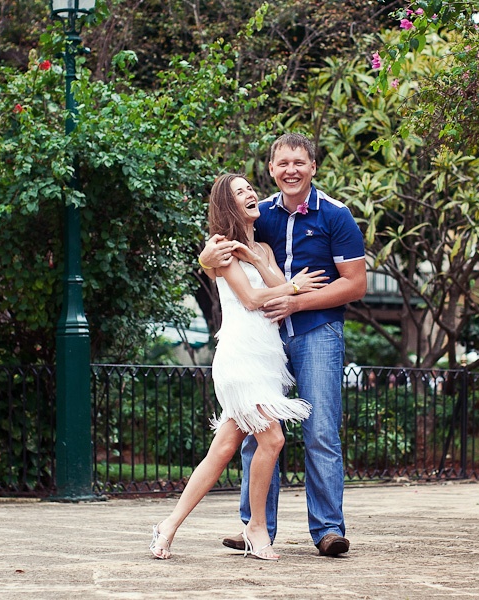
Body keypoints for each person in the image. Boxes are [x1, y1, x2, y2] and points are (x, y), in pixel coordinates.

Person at [199, 133, 367, 556]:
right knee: (257, 430)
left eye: (299, 162)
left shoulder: (336, 215)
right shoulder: (263, 214)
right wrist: (205, 259)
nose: (291, 170)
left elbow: (355, 285)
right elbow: (224, 245)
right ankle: (255, 527)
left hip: (317, 333)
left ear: (313, 167)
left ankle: (328, 530)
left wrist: (296, 302)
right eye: (283, 163)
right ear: (272, 169)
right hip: (267, 338)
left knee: (321, 430)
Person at [149, 173, 327, 560]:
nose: (250, 194)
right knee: (273, 440)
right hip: (240, 355)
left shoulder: (261, 247)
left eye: (249, 188)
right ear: (227, 205)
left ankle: (168, 525)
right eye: (239, 192)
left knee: (224, 448)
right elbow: (251, 299)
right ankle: (256, 527)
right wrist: (295, 287)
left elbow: (274, 283)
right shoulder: (221, 248)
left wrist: (262, 263)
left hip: (266, 357)